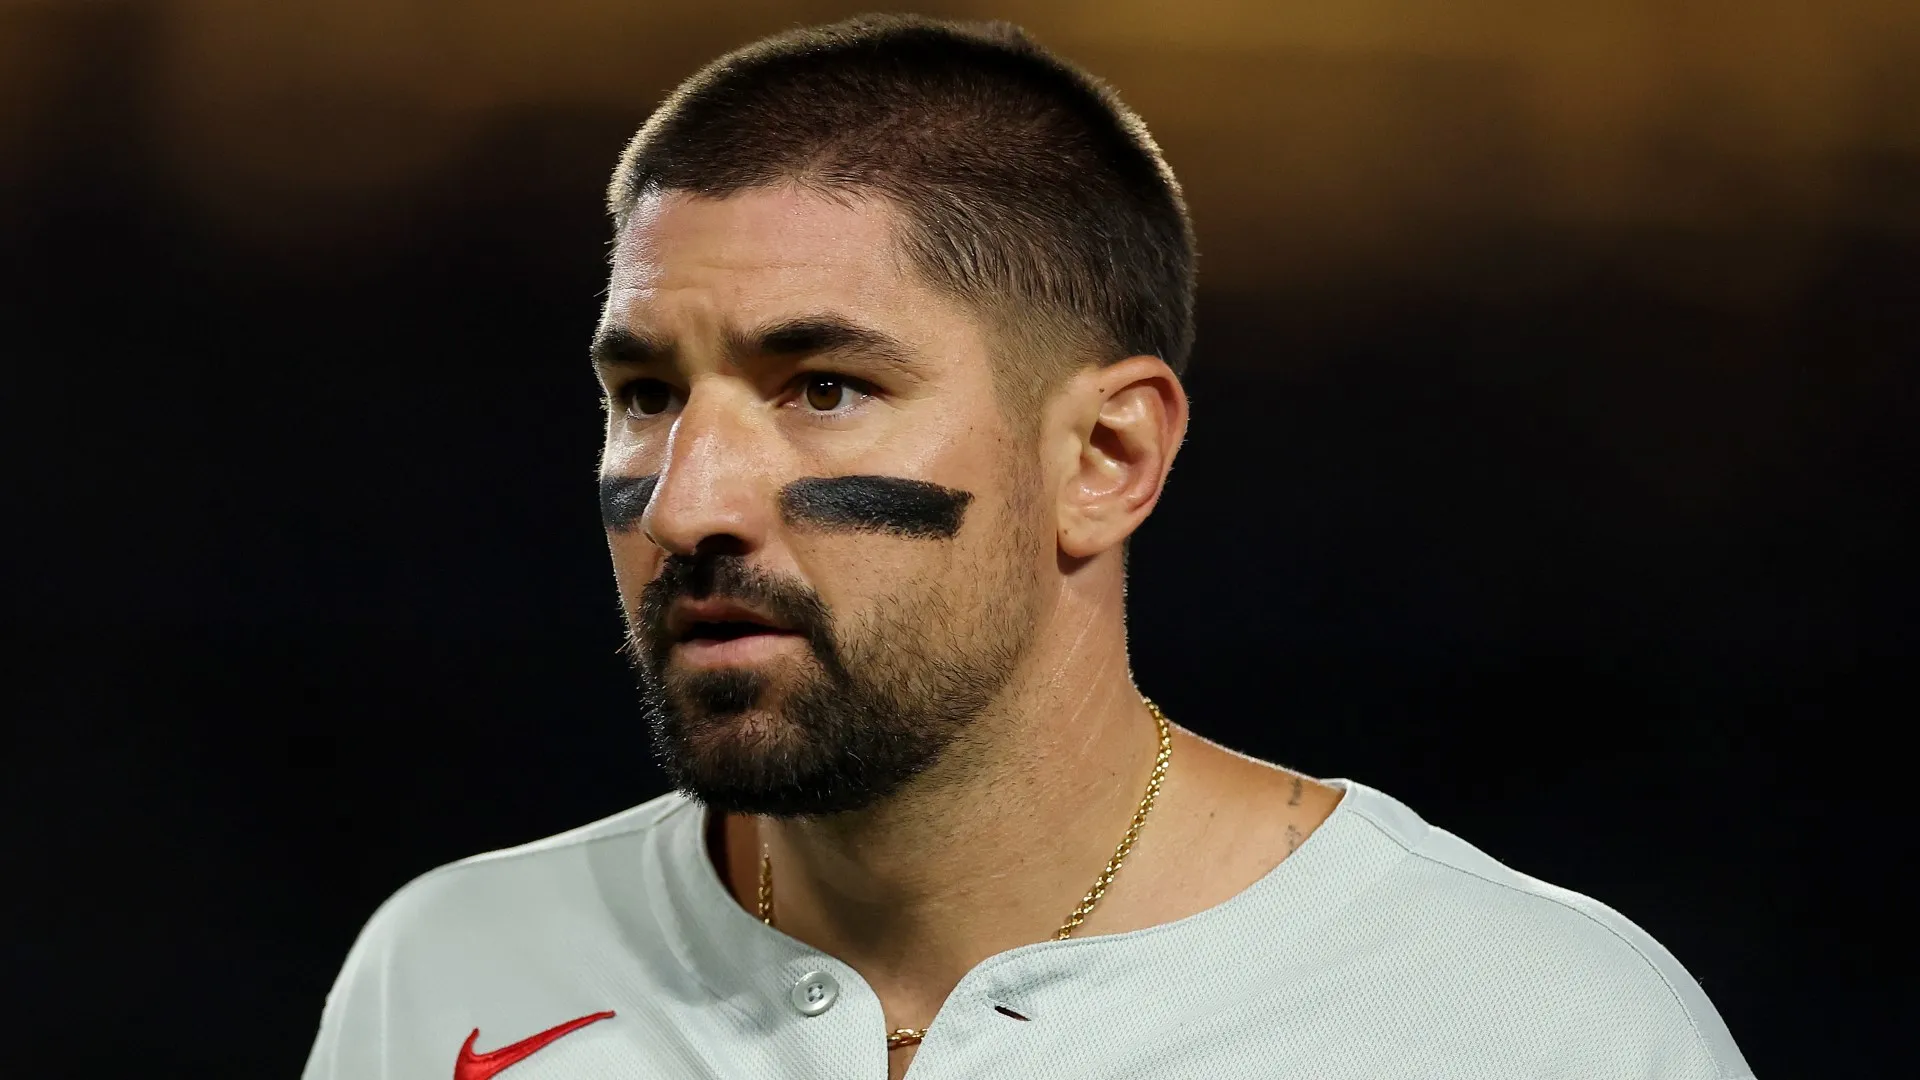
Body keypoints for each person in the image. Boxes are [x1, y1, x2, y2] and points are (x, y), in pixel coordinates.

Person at [302, 15, 1753, 1080]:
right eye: (646, 396)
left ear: (1106, 458)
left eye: (825, 390)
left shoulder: (1535, 1029)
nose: (688, 506)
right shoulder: (450, 971)